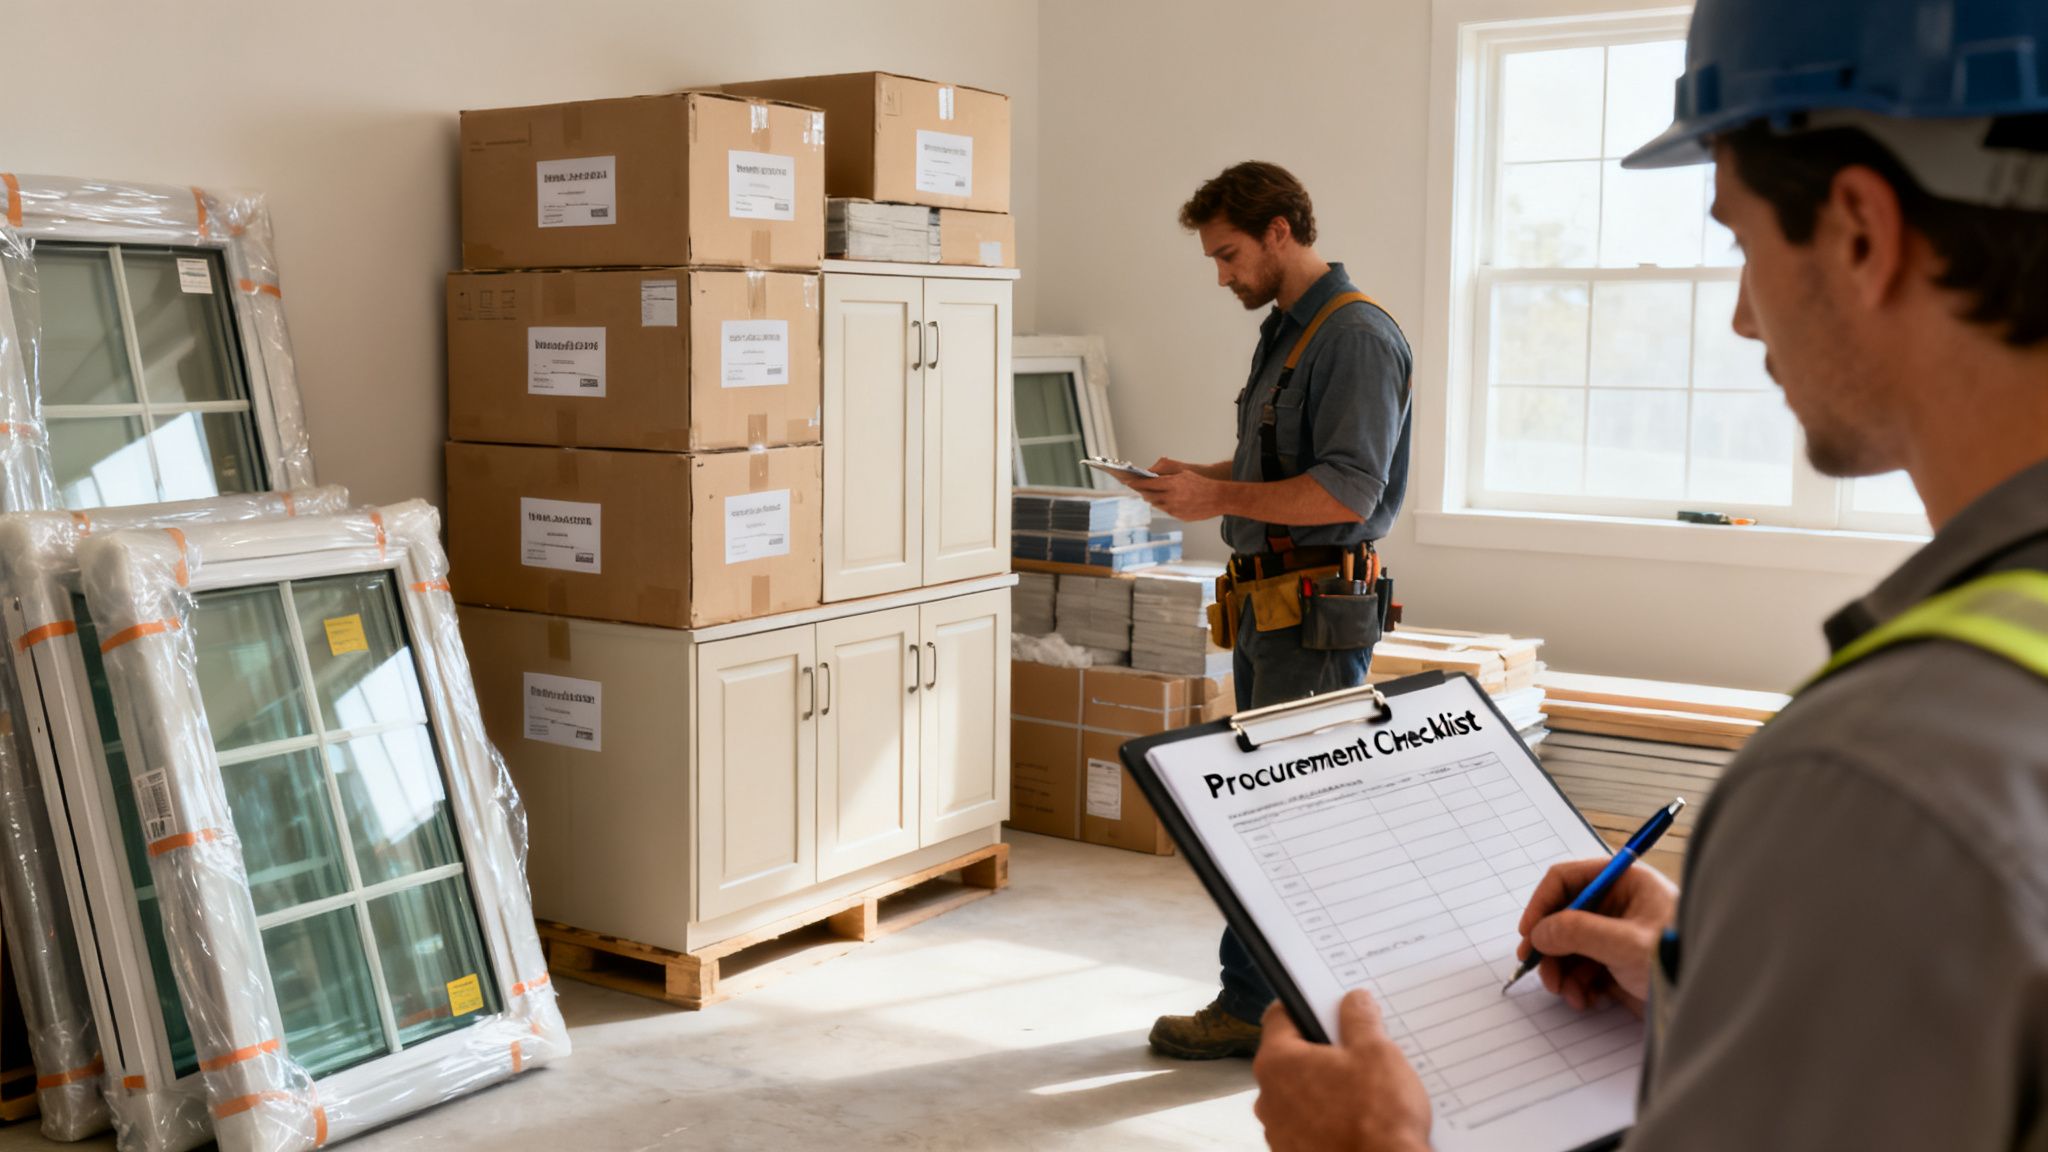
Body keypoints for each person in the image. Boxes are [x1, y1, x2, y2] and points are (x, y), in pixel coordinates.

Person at [1248, 0, 2048, 1147]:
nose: (1741, 317)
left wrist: (1376, 1145)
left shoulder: (1877, 784)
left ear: (1859, 233)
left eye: (1740, 243)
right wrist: (1718, 982)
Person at [1121, 161, 1414, 1060]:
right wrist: (1200, 478)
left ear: (1280, 231)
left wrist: (1215, 500)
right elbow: (1279, 469)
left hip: (1313, 612)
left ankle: (1258, 1007)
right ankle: (1296, 1002)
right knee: (1278, 810)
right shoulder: (1288, 332)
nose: (1222, 276)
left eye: (1229, 255)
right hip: (1270, 607)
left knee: (1286, 815)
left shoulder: (1354, 336)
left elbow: (1347, 490)